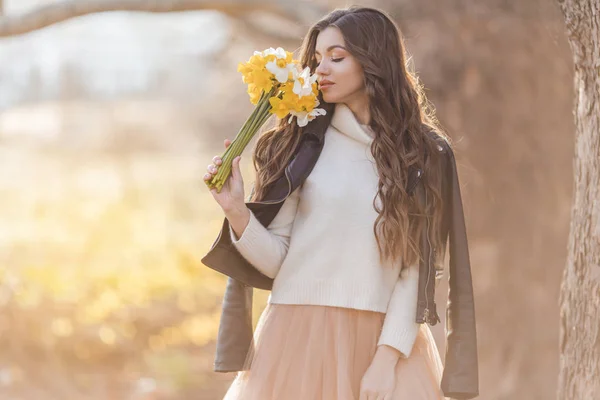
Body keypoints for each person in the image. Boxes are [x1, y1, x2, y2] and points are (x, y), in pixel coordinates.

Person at [202, 6, 478, 400]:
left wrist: (385, 363)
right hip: (295, 338)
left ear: (373, 60)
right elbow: (281, 262)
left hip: (388, 344)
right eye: (316, 60)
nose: (321, 70)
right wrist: (236, 211)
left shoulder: (421, 154)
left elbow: (413, 272)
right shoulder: (303, 143)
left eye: (337, 57)